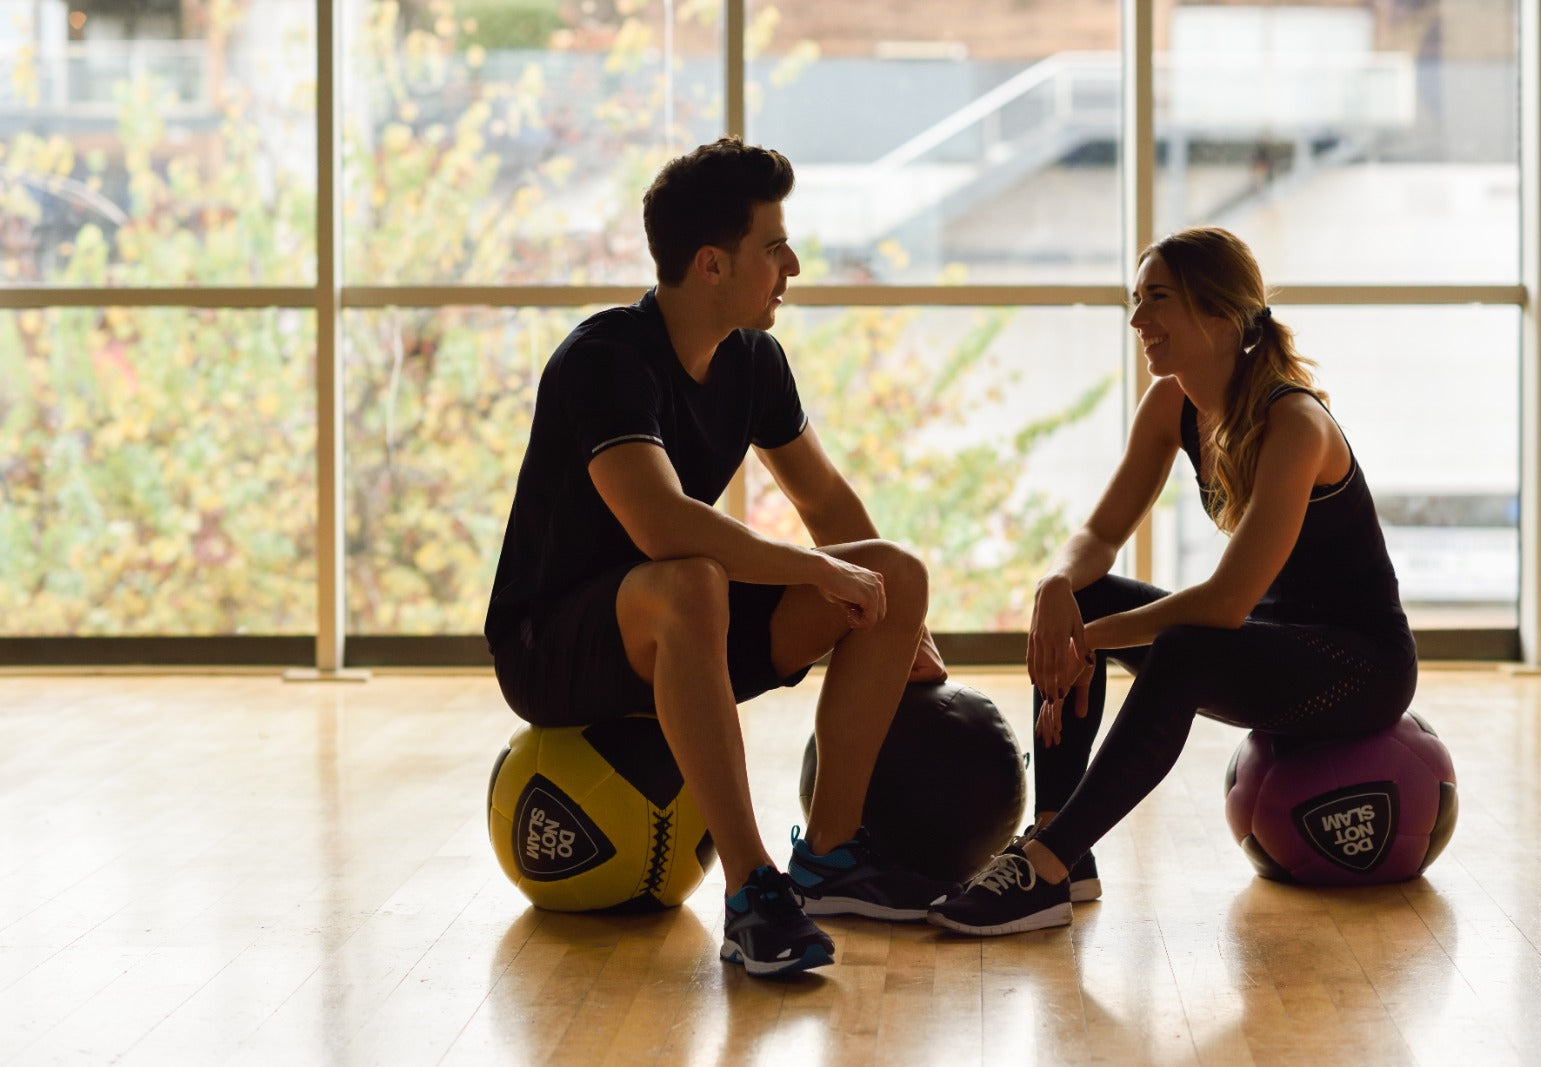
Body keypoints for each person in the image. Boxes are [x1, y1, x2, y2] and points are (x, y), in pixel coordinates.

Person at [484, 138, 957, 977]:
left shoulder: (753, 360)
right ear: (712, 264)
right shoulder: (605, 361)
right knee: (692, 578)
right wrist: (816, 571)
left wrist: (898, 618)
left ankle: (829, 856)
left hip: (682, 621)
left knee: (896, 573)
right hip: (553, 644)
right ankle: (751, 891)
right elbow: (662, 523)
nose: (792, 266)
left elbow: (826, 502)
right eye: (775, 247)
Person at [929, 226, 1418, 936]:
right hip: (1272, 641)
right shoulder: (1173, 404)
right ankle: (1060, 841)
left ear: (1218, 314)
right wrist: (1056, 588)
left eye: (1156, 299)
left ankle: (1045, 865)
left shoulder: (1296, 424)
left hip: (1360, 667)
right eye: (1136, 299)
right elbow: (1099, 536)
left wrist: (1088, 640)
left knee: (1181, 647)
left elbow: (1225, 603)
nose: (1137, 319)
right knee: (1083, 598)